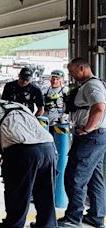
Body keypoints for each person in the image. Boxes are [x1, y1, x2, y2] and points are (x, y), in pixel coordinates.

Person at [0, 97, 57, 228]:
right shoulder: (21, 106)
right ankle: (46, 225)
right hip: (48, 147)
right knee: (45, 191)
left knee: (17, 191)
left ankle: (13, 225)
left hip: (23, 151)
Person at [57, 58, 106, 228]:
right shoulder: (88, 85)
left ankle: (72, 218)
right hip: (96, 136)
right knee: (95, 178)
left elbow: (99, 107)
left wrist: (87, 129)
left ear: (81, 67)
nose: (70, 74)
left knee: (74, 177)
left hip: (90, 137)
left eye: (72, 71)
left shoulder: (93, 85)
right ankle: (96, 217)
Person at [42, 70, 69, 136]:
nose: (54, 81)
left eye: (57, 79)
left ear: (62, 80)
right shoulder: (45, 89)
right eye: (53, 79)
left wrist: (64, 117)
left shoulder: (65, 91)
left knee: (59, 142)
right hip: (45, 121)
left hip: (59, 122)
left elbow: (68, 107)